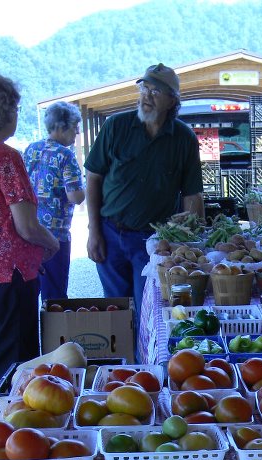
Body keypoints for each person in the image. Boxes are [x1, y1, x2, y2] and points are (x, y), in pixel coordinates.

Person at [84, 62, 204, 331]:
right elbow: (93, 177)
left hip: (153, 242)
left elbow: (192, 195)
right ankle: (122, 367)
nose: (147, 96)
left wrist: (193, 241)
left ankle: (148, 368)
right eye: (144, 88)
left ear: (172, 100)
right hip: (111, 233)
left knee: (150, 308)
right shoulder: (116, 126)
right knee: (116, 309)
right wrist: (94, 231)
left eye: (156, 91)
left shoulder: (184, 139)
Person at [0, 74, 59, 424]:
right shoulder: (3, 156)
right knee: (16, 363)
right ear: (5, 112)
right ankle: (6, 437)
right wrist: (52, 242)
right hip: (9, 276)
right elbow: (26, 226)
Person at [24, 102, 85, 301]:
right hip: (55, 237)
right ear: (60, 126)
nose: (76, 133)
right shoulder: (65, 155)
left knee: (31, 292)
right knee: (54, 297)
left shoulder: (31, 149)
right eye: (74, 127)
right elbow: (75, 196)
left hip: (29, 231)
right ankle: (54, 332)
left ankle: (32, 332)